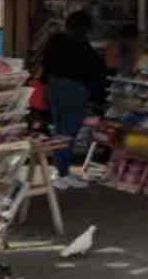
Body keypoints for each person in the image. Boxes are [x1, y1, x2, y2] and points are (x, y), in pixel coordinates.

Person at [40, 10, 108, 187]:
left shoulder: (55, 40)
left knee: (59, 129)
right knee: (68, 132)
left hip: (53, 87)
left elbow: (45, 63)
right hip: (74, 90)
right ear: (86, 28)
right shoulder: (82, 45)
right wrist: (97, 99)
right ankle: (62, 173)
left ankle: (61, 171)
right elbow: (94, 72)